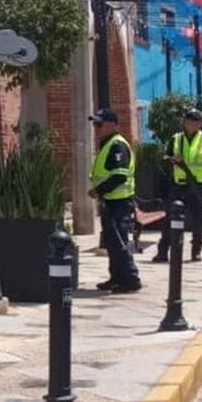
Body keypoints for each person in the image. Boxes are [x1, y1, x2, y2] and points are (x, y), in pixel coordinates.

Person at [154, 108, 202, 263]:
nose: (191, 124)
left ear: (200, 124)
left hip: (198, 186)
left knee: (199, 219)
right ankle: (163, 252)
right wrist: (172, 160)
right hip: (177, 185)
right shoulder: (175, 139)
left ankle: (196, 251)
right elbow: (164, 160)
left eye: (195, 121)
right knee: (170, 219)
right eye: (189, 121)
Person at [88, 108, 141, 293]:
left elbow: (119, 176)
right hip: (110, 201)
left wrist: (98, 190)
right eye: (95, 124)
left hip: (119, 202)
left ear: (112, 125)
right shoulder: (108, 144)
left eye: (99, 124)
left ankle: (130, 279)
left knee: (119, 242)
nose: (97, 128)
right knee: (111, 242)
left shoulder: (117, 146)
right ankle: (116, 277)